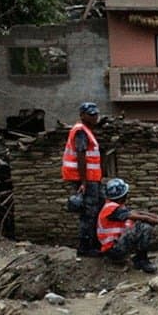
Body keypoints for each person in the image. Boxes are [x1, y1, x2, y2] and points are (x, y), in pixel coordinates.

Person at [97, 177, 158, 273]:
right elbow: (140, 217)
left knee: (142, 224)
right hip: (113, 250)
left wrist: (156, 217)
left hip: (115, 246)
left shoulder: (114, 206)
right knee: (144, 227)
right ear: (122, 195)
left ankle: (139, 258)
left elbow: (137, 212)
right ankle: (141, 260)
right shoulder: (112, 209)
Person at [62, 102, 104, 256]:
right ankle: (85, 247)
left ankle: (93, 243)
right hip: (86, 179)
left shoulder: (86, 130)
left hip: (92, 178)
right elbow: (81, 157)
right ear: (82, 116)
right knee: (89, 212)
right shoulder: (81, 132)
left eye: (95, 114)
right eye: (91, 114)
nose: (94, 117)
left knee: (96, 209)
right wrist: (84, 182)